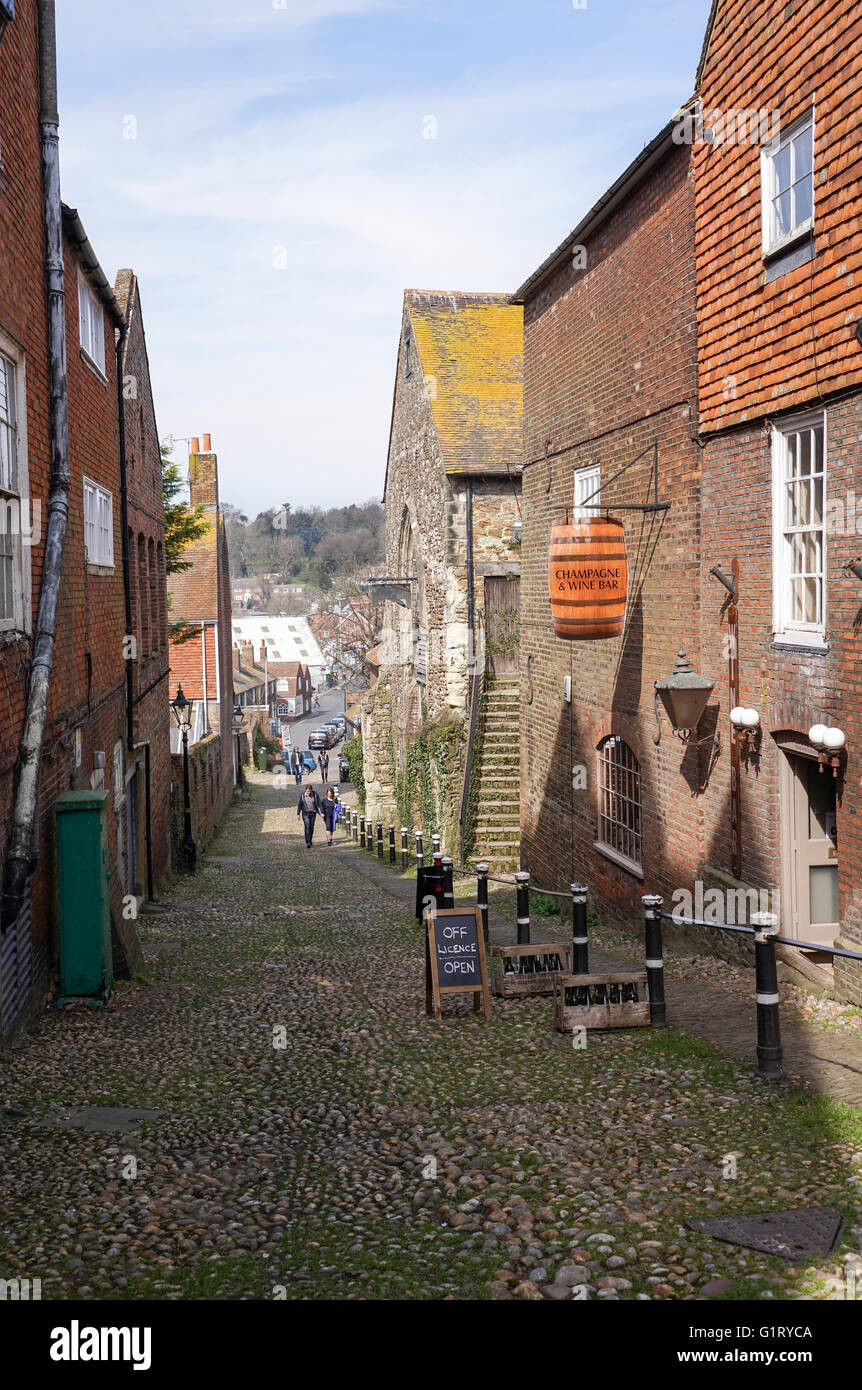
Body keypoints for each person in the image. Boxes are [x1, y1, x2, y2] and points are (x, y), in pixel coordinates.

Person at [296, 782, 323, 847]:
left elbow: (319, 804)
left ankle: (310, 840)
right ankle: (308, 842)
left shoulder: (315, 795)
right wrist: (298, 813)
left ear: (311, 790)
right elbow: (300, 804)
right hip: (305, 813)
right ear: (305, 790)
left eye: (309, 791)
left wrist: (321, 812)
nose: (308, 792)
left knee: (311, 827)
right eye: (307, 791)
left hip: (313, 813)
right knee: (307, 826)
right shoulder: (302, 795)